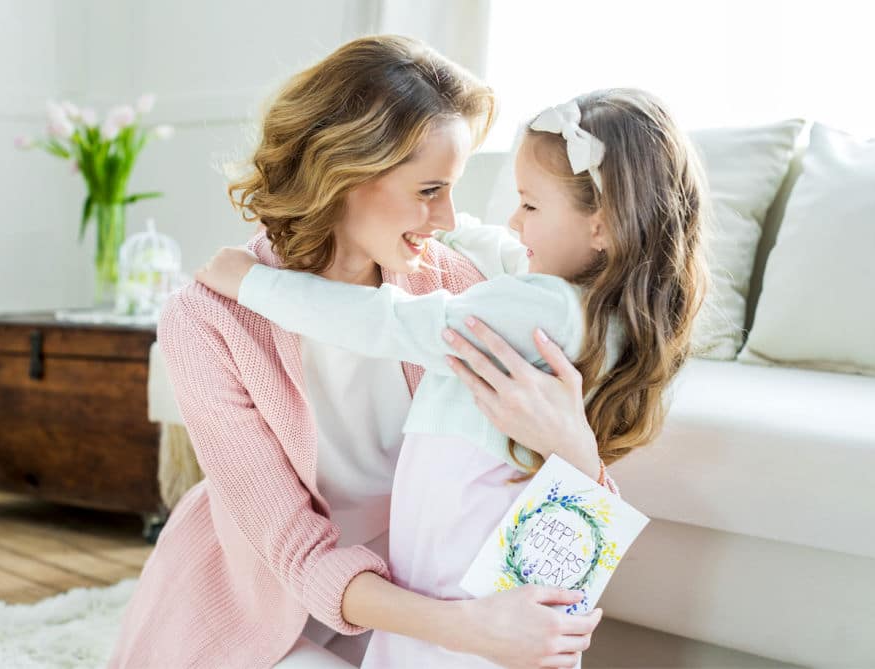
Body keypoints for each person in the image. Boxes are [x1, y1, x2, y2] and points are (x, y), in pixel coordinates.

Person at [107, 36, 611, 669]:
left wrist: (575, 448)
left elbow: (554, 488)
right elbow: (296, 554)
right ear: (342, 174)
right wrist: (472, 628)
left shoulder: (452, 288)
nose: (449, 219)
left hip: (417, 602)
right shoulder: (209, 319)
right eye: (430, 189)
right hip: (267, 614)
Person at [196, 88, 711, 668]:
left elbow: (389, 322)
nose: (514, 221)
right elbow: (506, 250)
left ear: (603, 226)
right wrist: (453, 228)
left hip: (456, 550)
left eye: (530, 206)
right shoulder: (591, 306)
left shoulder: (541, 307)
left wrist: (253, 285)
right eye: (430, 191)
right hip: (464, 555)